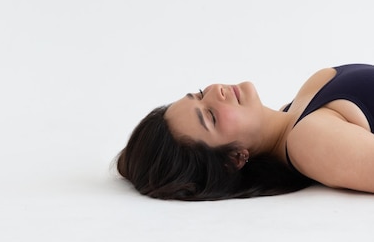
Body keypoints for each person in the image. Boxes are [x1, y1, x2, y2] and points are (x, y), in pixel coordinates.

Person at [115, 63, 374, 200]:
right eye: (211, 116)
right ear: (234, 158)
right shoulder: (307, 142)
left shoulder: (295, 108)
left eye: (201, 94)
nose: (217, 91)